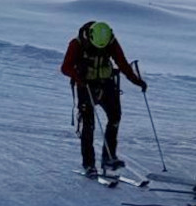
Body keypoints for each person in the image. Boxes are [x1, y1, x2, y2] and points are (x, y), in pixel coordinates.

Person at [60, 20, 146, 173]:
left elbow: (122, 62)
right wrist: (78, 76)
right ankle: (89, 164)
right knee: (88, 125)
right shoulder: (77, 43)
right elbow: (65, 67)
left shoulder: (110, 41)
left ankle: (109, 158)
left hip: (106, 84)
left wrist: (136, 81)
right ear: (90, 36)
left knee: (115, 118)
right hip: (85, 86)